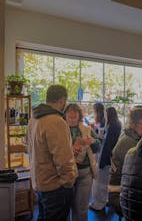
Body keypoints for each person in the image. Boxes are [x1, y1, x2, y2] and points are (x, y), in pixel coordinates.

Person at [27, 85, 77, 221]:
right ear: (62, 100)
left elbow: (29, 149)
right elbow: (63, 158)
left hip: (39, 182)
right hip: (55, 186)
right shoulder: (55, 121)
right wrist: (68, 181)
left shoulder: (34, 119)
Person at [109, 108, 142, 215]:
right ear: (133, 124)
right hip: (119, 191)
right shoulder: (129, 142)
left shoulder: (134, 136)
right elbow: (141, 169)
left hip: (126, 185)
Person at [64, 103, 101, 221]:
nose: (72, 119)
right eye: (69, 116)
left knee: (81, 208)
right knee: (64, 208)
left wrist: (92, 142)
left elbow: (97, 147)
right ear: (64, 115)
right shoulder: (60, 129)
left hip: (84, 173)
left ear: (79, 116)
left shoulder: (87, 129)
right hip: (66, 172)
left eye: (74, 116)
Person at [89, 107, 122, 211]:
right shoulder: (117, 124)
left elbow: (107, 145)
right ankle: (105, 201)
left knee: (98, 183)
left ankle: (98, 205)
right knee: (106, 182)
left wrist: (102, 161)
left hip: (106, 159)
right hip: (110, 159)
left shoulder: (112, 126)